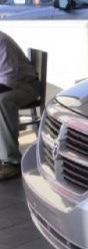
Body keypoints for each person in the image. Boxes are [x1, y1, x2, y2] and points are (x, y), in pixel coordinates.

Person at [0, 31, 40, 180]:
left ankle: (12, 162)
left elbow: (7, 81)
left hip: (26, 85)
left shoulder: (2, 42)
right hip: (10, 85)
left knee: (2, 101)